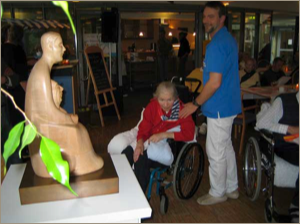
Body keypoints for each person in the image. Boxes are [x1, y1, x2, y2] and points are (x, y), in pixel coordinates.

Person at [179, 1, 241, 205]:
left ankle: (218, 192)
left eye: (211, 16)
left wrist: (195, 104)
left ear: (222, 18)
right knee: (226, 148)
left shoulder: (216, 44)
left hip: (220, 108)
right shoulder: (229, 40)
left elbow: (214, 82)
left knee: (215, 151)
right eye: (204, 16)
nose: (206, 20)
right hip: (229, 105)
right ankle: (232, 188)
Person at [25, 32, 103, 178]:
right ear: (49, 47)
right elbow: (47, 111)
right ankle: (83, 164)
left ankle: (85, 162)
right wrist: (68, 119)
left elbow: (48, 109)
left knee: (79, 127)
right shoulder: (41, 72)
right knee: (77, 130)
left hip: (44, 123)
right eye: (60, 45)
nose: (64, 49)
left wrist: (67, 117)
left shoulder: (42, 69)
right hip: (41, 128)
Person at [108, 82, 195, 193]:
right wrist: (139, 144)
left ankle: (139, 197)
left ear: (175, 98)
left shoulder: (181, 110)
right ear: (156, 98)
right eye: (162, 100)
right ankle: (119, 189)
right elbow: (143, 128)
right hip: (149, 139)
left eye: (169, 100)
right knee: (127, 154)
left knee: (140, 158)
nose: (165, 104)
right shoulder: (152, 107)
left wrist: (164, 134)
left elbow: (189, 134)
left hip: (165, 144)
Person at [256, 91, 299, 223]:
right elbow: (262, 123)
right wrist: (289, 128)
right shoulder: (284, 101)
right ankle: (296, 206)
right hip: (286, 144)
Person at [1, 24, 28, 126]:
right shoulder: (18, 50)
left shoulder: (3, 49)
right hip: (17, 88)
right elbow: (20, 71)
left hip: (8, 92)